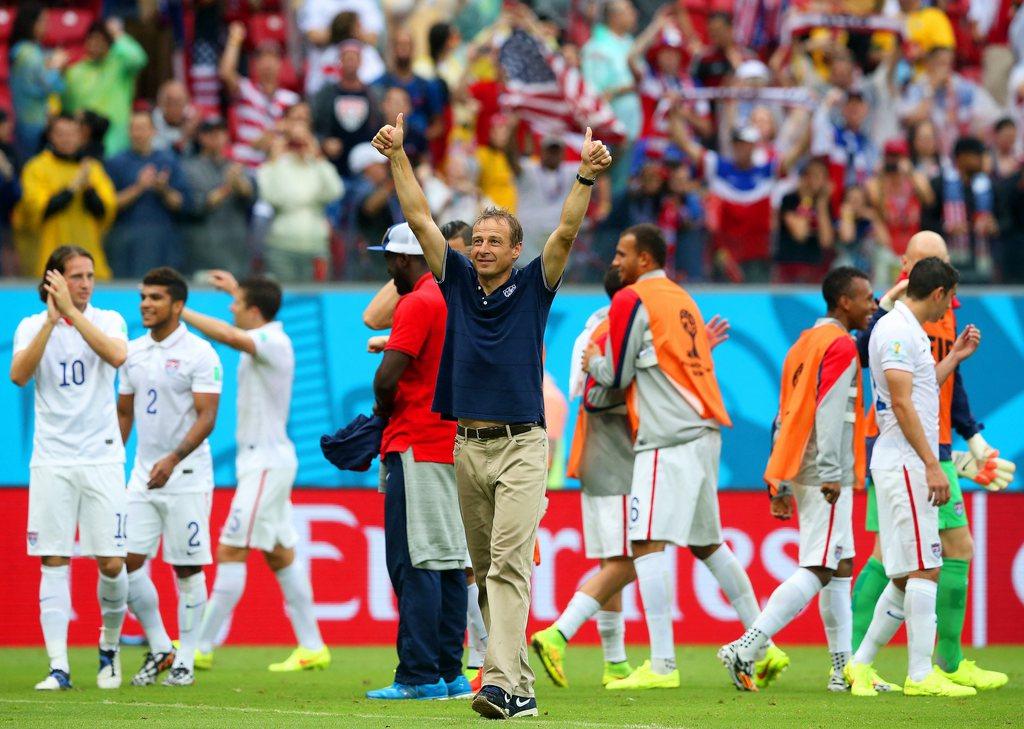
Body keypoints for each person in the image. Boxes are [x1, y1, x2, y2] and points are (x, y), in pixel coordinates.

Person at [372, 113, 612, 719]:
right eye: (475, 240)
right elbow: (423, 219)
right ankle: (522, 691)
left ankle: (498, 684)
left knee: (506, 563)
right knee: (485, 572)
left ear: (514, 250)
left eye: (492, 241)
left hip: (523, 445)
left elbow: (563, 233)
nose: (480, 248)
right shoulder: (452, 282)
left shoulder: (536, 285)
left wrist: (583, 177)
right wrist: (397, 156)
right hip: (466, 445)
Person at [578, 224, 789, 691]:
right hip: (704, 428)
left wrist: (592, 357)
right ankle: (761, 645)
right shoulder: (681, 298)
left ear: (645, 260)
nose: (615, 262)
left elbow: (614, 374)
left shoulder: (631, 299)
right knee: (708, 543)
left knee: (647, 543)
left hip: (667, 435)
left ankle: (661, 665)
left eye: (621, 253)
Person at [531, 266, 732, 689]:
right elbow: (599, 395)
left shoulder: (602, 327)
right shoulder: (612, 330)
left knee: (617, 559)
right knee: (633, 557)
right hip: (618, 459)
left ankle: (615, 661)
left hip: (601, 458)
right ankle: (558, 633)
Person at [850, 232, 1013, 692]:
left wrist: (956, 356)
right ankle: (921, 674)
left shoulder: (911, 330)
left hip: (909, 458)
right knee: (924, 568)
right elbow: (902, 404)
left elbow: (923, 388)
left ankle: (859, 665)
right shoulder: (898, 330)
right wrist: (933, 464)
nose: (950, 310)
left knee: (908, 573)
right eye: (950, 299)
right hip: (906, 461)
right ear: (936, 291)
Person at [718, 267, 877, 692]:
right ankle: (747, 646)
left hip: (803, 464)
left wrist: (780, 483)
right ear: (844, 302)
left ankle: (842, 670)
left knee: (840, 566)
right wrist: (829, 471)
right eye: (867, 298)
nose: (873, 305)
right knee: (820, 566)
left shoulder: (803, 344)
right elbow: (827, 411)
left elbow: (783, 416)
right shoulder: (840, 344)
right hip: (827, 469)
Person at [183, 272, 330, 673]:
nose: (231, 309)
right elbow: (245, 321)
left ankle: (201, 645)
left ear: (253, 311)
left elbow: (233, 337)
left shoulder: (274, 341)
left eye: (236, 303)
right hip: (266, 462)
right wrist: (236, 288)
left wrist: (182, 310)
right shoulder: (268, 334)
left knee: (231, 548)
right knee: (281, 555)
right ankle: (313, 646)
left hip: (265, 464)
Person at [11, 246, 129, 691]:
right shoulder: (29, 326)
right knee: (53, 559)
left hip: (101, 456)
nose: (85, 284)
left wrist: (72, 315)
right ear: (53, 280)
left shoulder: (109, 319)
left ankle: (109, 648)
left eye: (89, 276)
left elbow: (117, 356)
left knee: (112, 563)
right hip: (52, 458)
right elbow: (20, 375)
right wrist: (49, 319)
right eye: (75, 277)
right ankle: (58, 667)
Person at [364, 223, 471, 701]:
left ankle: (419, 675)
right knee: (449, 563)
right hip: (455, 445)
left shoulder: (419, 301)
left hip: (416, 441)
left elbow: (389, 377)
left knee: (416, 563)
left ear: (405, 260)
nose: (387, 269)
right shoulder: (458, 299)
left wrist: (380, 414)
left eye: (390, 260)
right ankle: (450, 671)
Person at [118, 267, 222, 688]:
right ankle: (162, 646)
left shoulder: (201, 353)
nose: (146, 304)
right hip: (142, 475)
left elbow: (208, 415)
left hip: (188, 475)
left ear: (178, 305)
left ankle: (187, 660)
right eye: (143, 297)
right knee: (121, 564)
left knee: (187, 568)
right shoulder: (131, 352)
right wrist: (112, 461)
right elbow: (124, 412)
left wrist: (175, 458)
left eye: (156, 298)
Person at [14, 114, 117, 279]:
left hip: (89, 261)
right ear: (51, 136)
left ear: (80, 136)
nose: (67, 139)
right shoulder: (36, 168)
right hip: (50, 260)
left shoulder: (92, 168)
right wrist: (73, 187)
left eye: (72, 134)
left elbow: (106, 212)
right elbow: (38, 209)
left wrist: (89, 190)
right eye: (61, 134)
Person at [257, 102, 344, 282]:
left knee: (315, 302)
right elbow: (271, 196)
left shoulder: (317, 162)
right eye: (295, 120)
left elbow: (335, 191)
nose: (300, 127)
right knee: (284, 302)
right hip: (282, 246)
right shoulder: (277, 162)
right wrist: (274, 159)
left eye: (305, 121)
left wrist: (317, 157)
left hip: (315, 245)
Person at [104, 110, 188, 278]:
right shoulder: (115, 162)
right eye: (134, 128)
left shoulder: (168, 161)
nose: (138, 133)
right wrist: (139, 187)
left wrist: (163, 189)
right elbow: (109, 204)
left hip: (162, 241)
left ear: (153, 131)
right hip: (126, 241)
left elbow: (181, 203)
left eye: (143, 128)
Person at [181, 116, 256, 276]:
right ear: (201, 137)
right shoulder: (188, 168)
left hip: (235, 248)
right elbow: (191, 206)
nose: (217, 137)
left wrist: (240, 185)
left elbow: (252, 198)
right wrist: (227, 187)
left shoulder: (236, 166)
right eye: (210, 133)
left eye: (221, 132)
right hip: (203, 249)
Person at [61, 18, 148, 156]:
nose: (96, 44)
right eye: (92, 39)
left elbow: (139, 59)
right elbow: (68, 105)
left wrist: (118, 35)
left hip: (118, 143)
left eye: (101, 40)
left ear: (109, 43)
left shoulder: (120, 65)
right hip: (86, 145)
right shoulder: (75, 71)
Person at [219, 22, 301, 167]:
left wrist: (280, 129)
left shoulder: (291, 99)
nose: (267, 64)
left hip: (276, 165)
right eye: (262, 59)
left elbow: (299, 130)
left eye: (272, 58)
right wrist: (234, 40)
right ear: (255, 64)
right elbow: (226, 73)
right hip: (245, 163)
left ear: (280, 64)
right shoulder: (245, 90)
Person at [8, 3, 68, 161]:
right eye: (43, 21)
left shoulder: (33, 50)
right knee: (29, 164)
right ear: (30, 23)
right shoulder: (26, 53)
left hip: (36, 118)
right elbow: (48, 85)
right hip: (30, 122)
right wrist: (56, 65)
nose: (46, 26)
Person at [516, 137, 581, 263]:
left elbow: (598, 168)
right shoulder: (528, 168)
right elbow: (510, 159)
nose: (553, 155)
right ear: (542, 152)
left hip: (556, 234)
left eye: (556, 151)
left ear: (562, 154)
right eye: (550, 151)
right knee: (526, 272)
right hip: (529, 234)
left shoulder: (570, 171)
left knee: (552, 277)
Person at [774, 158, 836, 283]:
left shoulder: (824, 204)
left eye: (823, 176)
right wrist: (806, 199)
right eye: (815, 175)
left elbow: (827, 241)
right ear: (805, 177)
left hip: (814, 267)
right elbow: (800, 233)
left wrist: (821, 206)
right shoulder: (790, 200)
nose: (820, 181)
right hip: (790, 266)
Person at [153, 80, 198, 155]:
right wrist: (185, 134)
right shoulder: (151, 121)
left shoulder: (194, 117)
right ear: (160, 103)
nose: (174, 107)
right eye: (169, 101)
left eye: (179, 101)